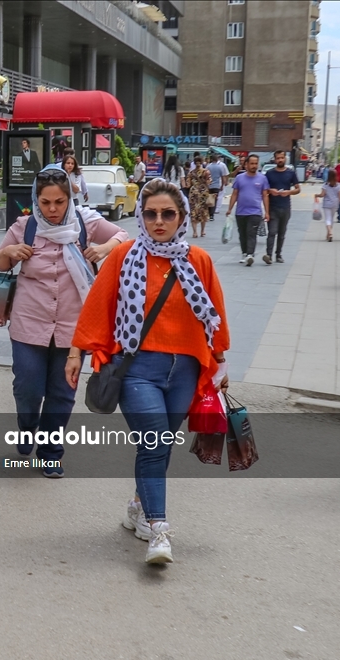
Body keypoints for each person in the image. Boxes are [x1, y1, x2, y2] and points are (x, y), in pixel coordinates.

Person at [67, 179, 230, 565]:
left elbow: (215, 314)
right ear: (140, 216)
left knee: (159, 445)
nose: (159, 221)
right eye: (151, 213)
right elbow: (97, 306)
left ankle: (139, 505)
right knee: (155, 442)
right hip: (138, 369)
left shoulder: (199, 260)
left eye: (167, 214)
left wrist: (220, 362)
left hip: (185, 368)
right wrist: (76, 353)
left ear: (182, 217)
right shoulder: (123, 256)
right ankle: (159, 529)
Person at [0, 165, 128, 478]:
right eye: (46, 202)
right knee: (28, 387)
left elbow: (123, 235)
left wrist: (104, 248)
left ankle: (50, 453)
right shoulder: (25, 226)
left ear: (69, 199)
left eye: (59, 202)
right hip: (29, 322)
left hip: (73, 327)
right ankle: (27, 427)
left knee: (62, 393)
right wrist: (10, 251)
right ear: (36, 200)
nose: (52, 209)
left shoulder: (85, 223)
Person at [227, 153, 270, 267]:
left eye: (256, 163)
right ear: (246, 164)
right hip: (240, 212)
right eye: (252, 163)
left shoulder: (262, 178)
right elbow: (235, 194)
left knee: (251, 233)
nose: (254, 166)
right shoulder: (239, 178)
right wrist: (229, 209)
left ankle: (250, 255)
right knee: (242, 234)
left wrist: (267, 212)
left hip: (255, 212)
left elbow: (265, 195)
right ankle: (244, 253)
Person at [263, 149, 300, 263]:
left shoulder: (291, 173)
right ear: (274, 159)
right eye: (278, 158)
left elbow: (298, 189)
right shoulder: (269, 173)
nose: (280, 160)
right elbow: (264, 190)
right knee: (272, 231)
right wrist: (271, 190)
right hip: (273, 207)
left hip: (285, 207)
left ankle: (278, 254)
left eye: (282, 158)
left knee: (282, 233)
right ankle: (268, 255)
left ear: (285, 159)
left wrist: (289, 192)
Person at [187, 155, 212, 238]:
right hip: (203, 193)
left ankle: (195, 232)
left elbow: (188, 184)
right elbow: (209, 182)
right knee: (203, 212)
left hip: (194, 193)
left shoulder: (191, 173)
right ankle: (202, 231)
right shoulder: (206, 172)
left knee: (194, 212)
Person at [315, 170, 340, 242]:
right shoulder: (339, 185)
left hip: (327, 204)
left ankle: (330, 233)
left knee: (328, 219)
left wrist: (317, 195)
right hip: (335, 204)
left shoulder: (325, 185)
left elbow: (322, 195)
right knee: (331, 219)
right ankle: (328, 234)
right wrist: (339, 200)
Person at [207, 154, 229, 221]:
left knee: (209, 199)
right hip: (216, 186)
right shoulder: (220, 167)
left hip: (209, 185)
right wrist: (222, 185)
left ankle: (208, 213)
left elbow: (205, 176)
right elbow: (222, 177)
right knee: (214, 200)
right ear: (217, 159)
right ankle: (212, 215)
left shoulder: (208, 166)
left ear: (211, 159)